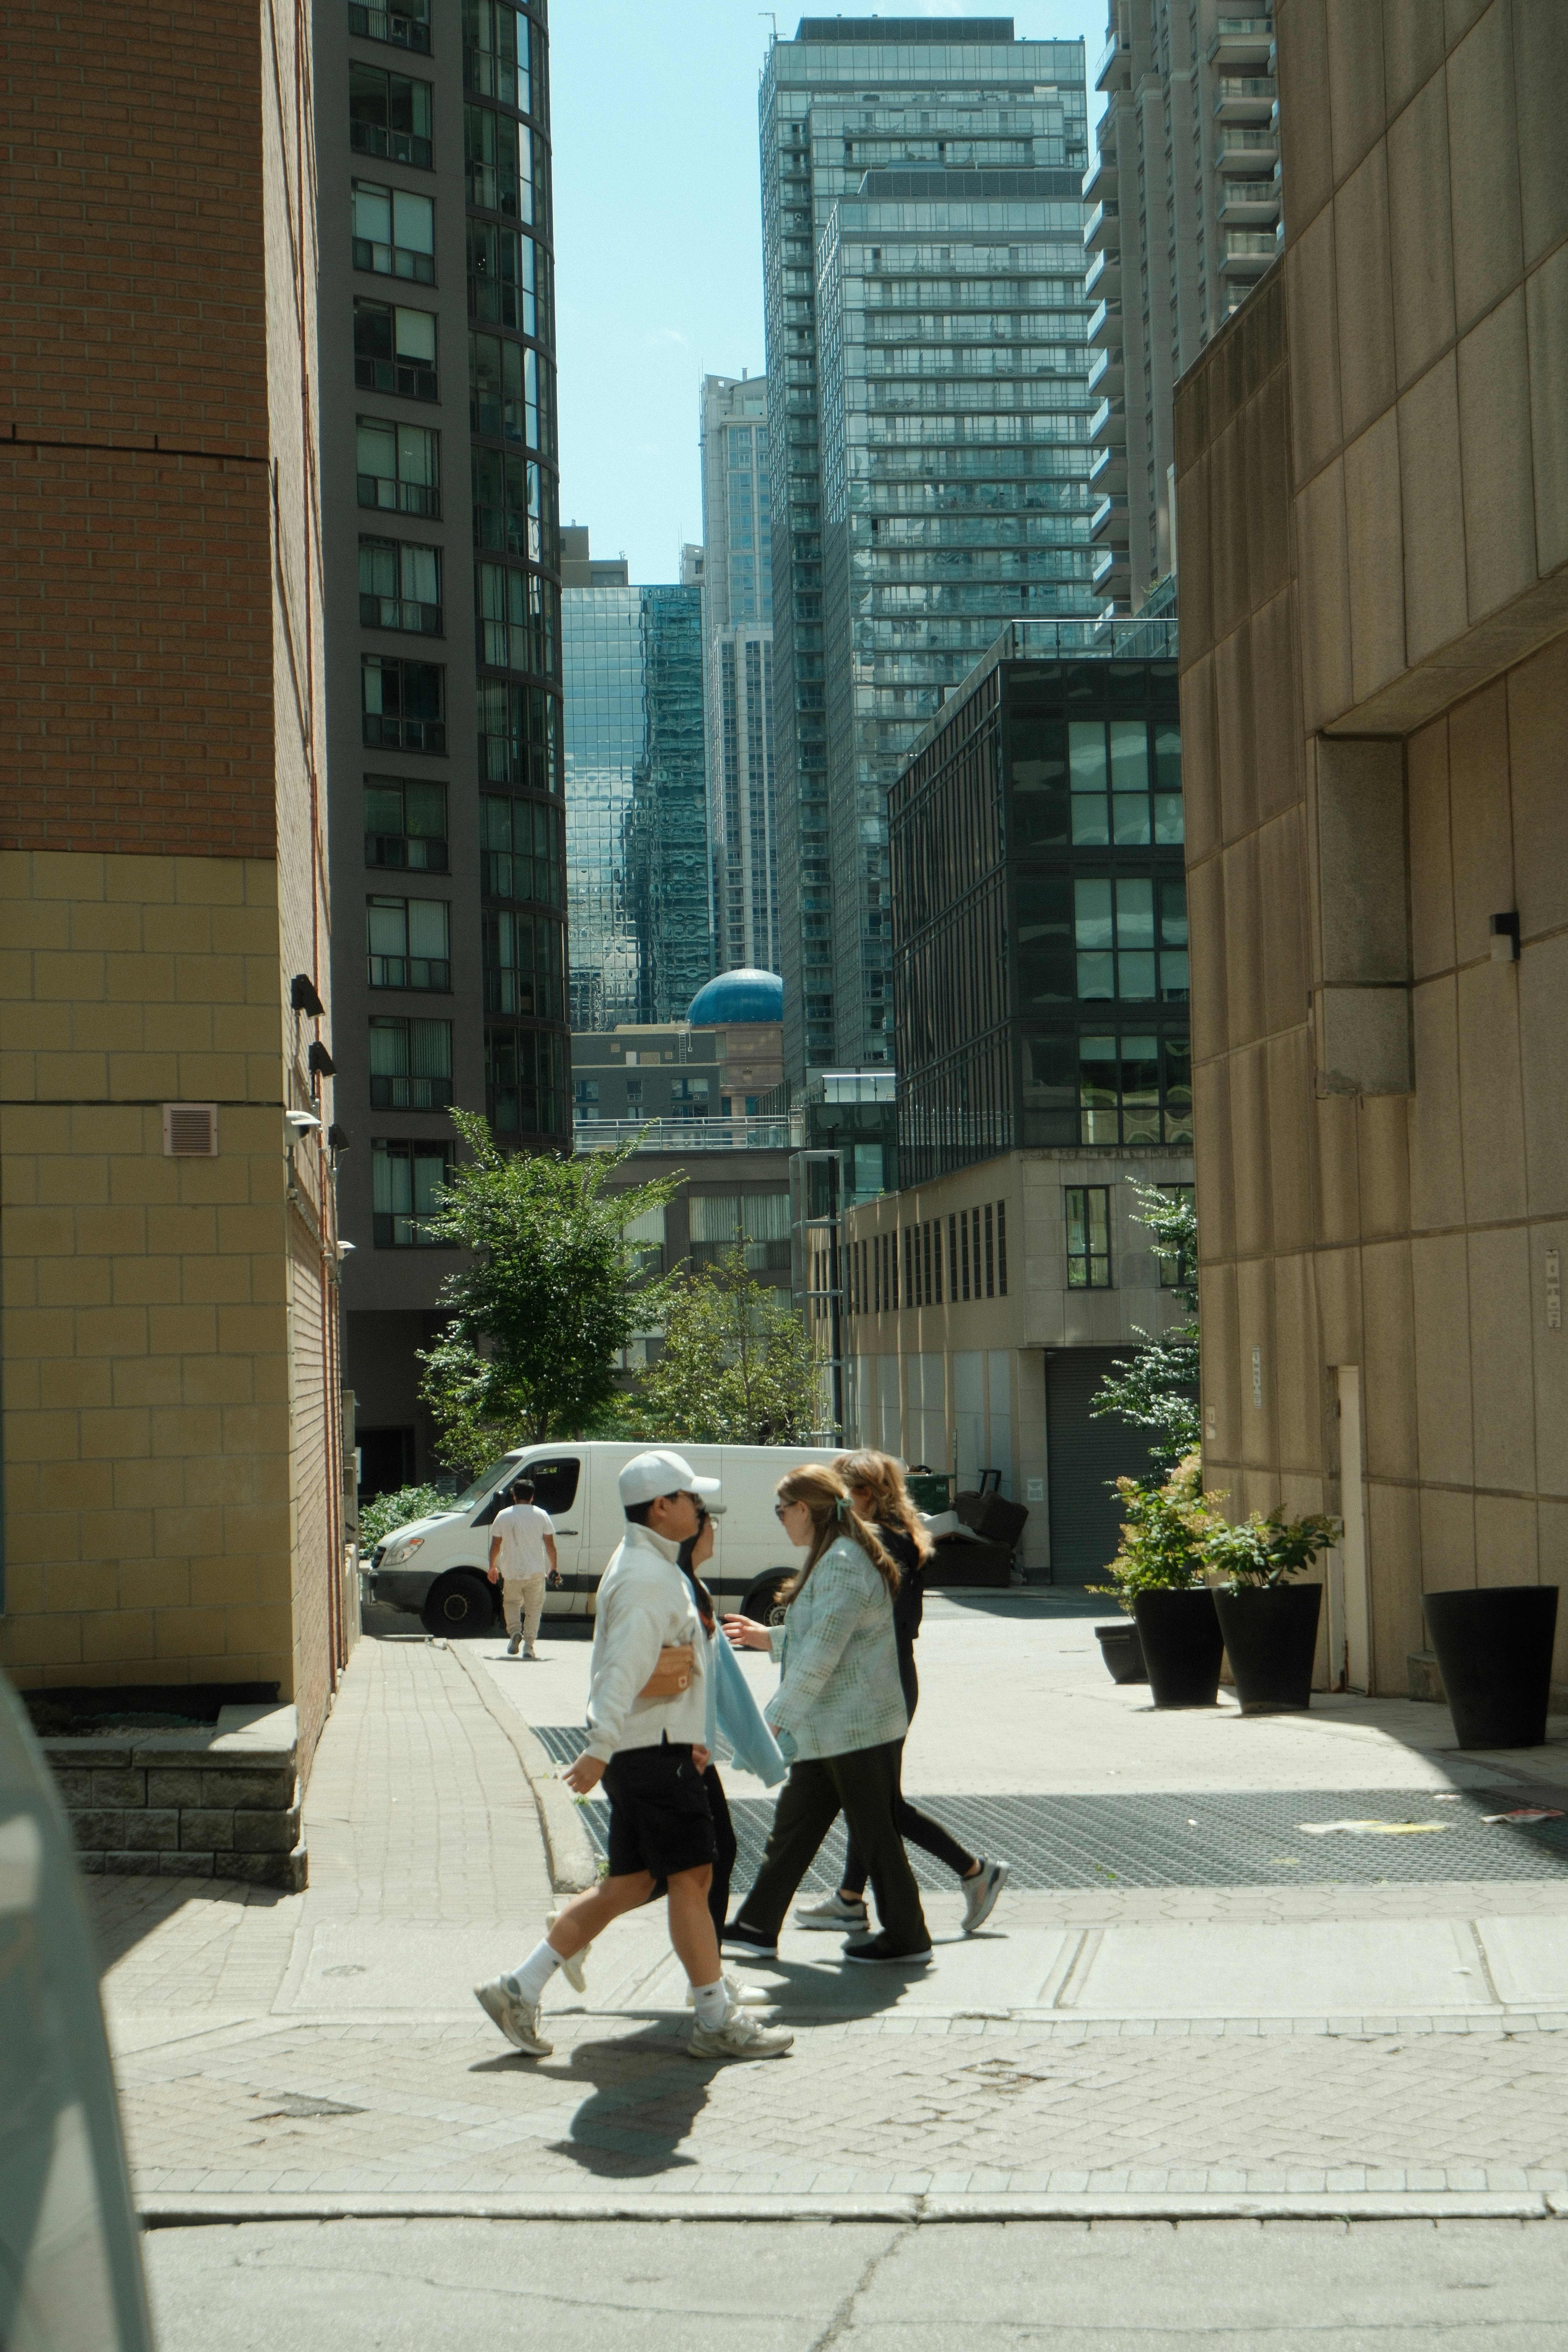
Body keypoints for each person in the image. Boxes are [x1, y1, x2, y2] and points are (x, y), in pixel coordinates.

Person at [474, 1449, 793, 2064]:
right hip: (651, 1754)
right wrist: (597, 1749)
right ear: (662, 1506)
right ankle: (714, 2018)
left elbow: (667, 1669)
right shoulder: (649, 1577)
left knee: (630, 1884)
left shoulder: (648, 1564)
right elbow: (620, 1671)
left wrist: (677, 1736)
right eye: (691, 1500)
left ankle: (519, 1987)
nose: (700, 1510)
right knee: (691, 1879)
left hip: (650, 1750)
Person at [721, 1464, 932, 1967]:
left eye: (781, 1509)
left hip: (852, 1727)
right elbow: (825, 1631)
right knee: (795, 1828)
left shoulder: (840, 1560)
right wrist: (768, 1638)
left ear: (804, 1509)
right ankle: (756, 1925)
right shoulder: (837, 1554)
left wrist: (773, 1719)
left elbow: (824, 1651)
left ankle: (907, 1937)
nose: (779, 1519)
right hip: (837, 1727)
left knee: (875, 1832)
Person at [793, 1450, 1009, 1939]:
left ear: (866, 1494)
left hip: (879, 1680)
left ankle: (975, 1871)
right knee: (871, 1796)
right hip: (890, 1676)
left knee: (878, 1802)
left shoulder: (876, 1542)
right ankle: (850, 1898)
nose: (834, 1502)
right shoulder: (896, 1536)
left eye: (841, 1491)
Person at [487, 1475, 560, 1658]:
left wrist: (492, 1567)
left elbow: (496, 1546)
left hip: (511, 1571)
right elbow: (550, 1545)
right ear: (532, 1496)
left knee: (511, 1603)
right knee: (534, 1609)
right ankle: (529, 1646)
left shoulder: (503, 1516)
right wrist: (553, 1568)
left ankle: (514, 1633)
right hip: (535, 1571)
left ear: (513, 1496)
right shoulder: (541, 1515)